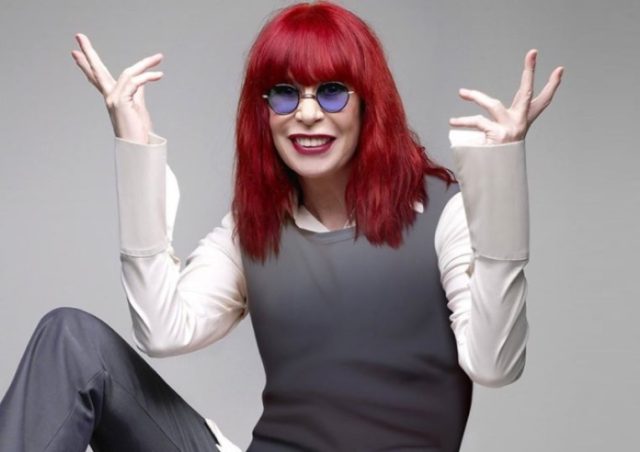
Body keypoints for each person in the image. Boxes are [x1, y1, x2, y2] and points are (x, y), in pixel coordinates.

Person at [0, 1, 563, 451]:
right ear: (263, 111)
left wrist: (499, 185)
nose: (307, 114)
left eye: (333, 92)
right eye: (286, 94)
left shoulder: (443, 215)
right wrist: (137, 151)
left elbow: (494, 364)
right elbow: (163, 331)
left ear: (369, 106)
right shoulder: (254, 228)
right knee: (69, 340)